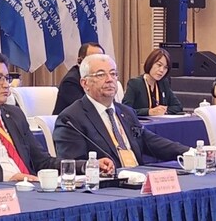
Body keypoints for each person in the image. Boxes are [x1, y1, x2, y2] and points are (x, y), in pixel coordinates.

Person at [0, 50, 114, 187]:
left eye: (7, 78)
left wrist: (87, 166)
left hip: (30, 191)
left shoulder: (14, 115)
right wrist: (4, 182)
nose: (6, 84)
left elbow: (43, 162)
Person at [53, 53, 191, 168]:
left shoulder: (126, 112)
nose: (110, 80)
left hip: (138, 179)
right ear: (85, 83)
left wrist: (189, 152)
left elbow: (151, 142)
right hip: (108, 185)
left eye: (113, 74)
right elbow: (70, 165)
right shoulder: (71, 119)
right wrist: (95, 166)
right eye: (101, 75)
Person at [122, 48, 183, 116]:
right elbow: (125, 110)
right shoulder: (135, 83)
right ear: (150, 63)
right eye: (159, 65)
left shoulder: (163, 83)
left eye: (165, 67)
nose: (162, 70)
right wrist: (148, 112)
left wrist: (164, 110)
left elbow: (178, 107)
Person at [52, 42, 104, 115]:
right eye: (93, 59)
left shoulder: (105, 79)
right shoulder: (70, 82)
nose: (99, 63)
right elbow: (86, 109)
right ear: (80, 61)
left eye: (101, 59)